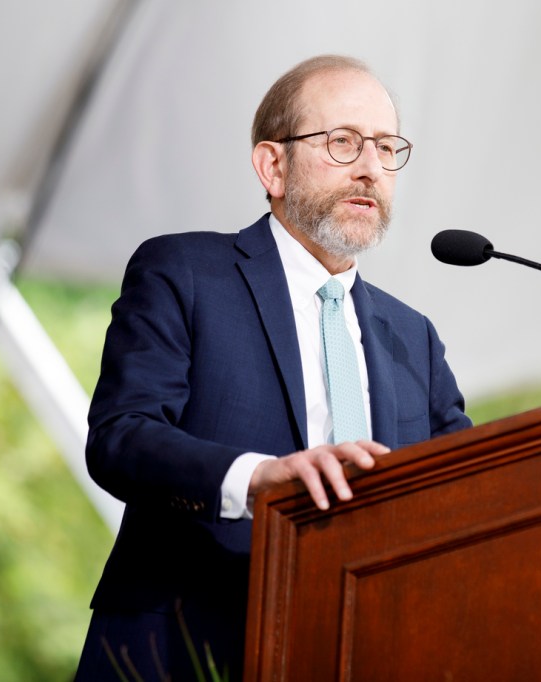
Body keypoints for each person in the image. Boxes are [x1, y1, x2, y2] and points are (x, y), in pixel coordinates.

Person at [74, 55, 471, 680]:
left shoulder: (412, 336)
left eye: (388, 147)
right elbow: (121, 438)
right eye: (343, 142)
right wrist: (260, 479)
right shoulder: (185, 273)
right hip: (191, 641)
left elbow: (471, 489)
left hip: (367, 650)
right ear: (273, 165)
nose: (371, 167)